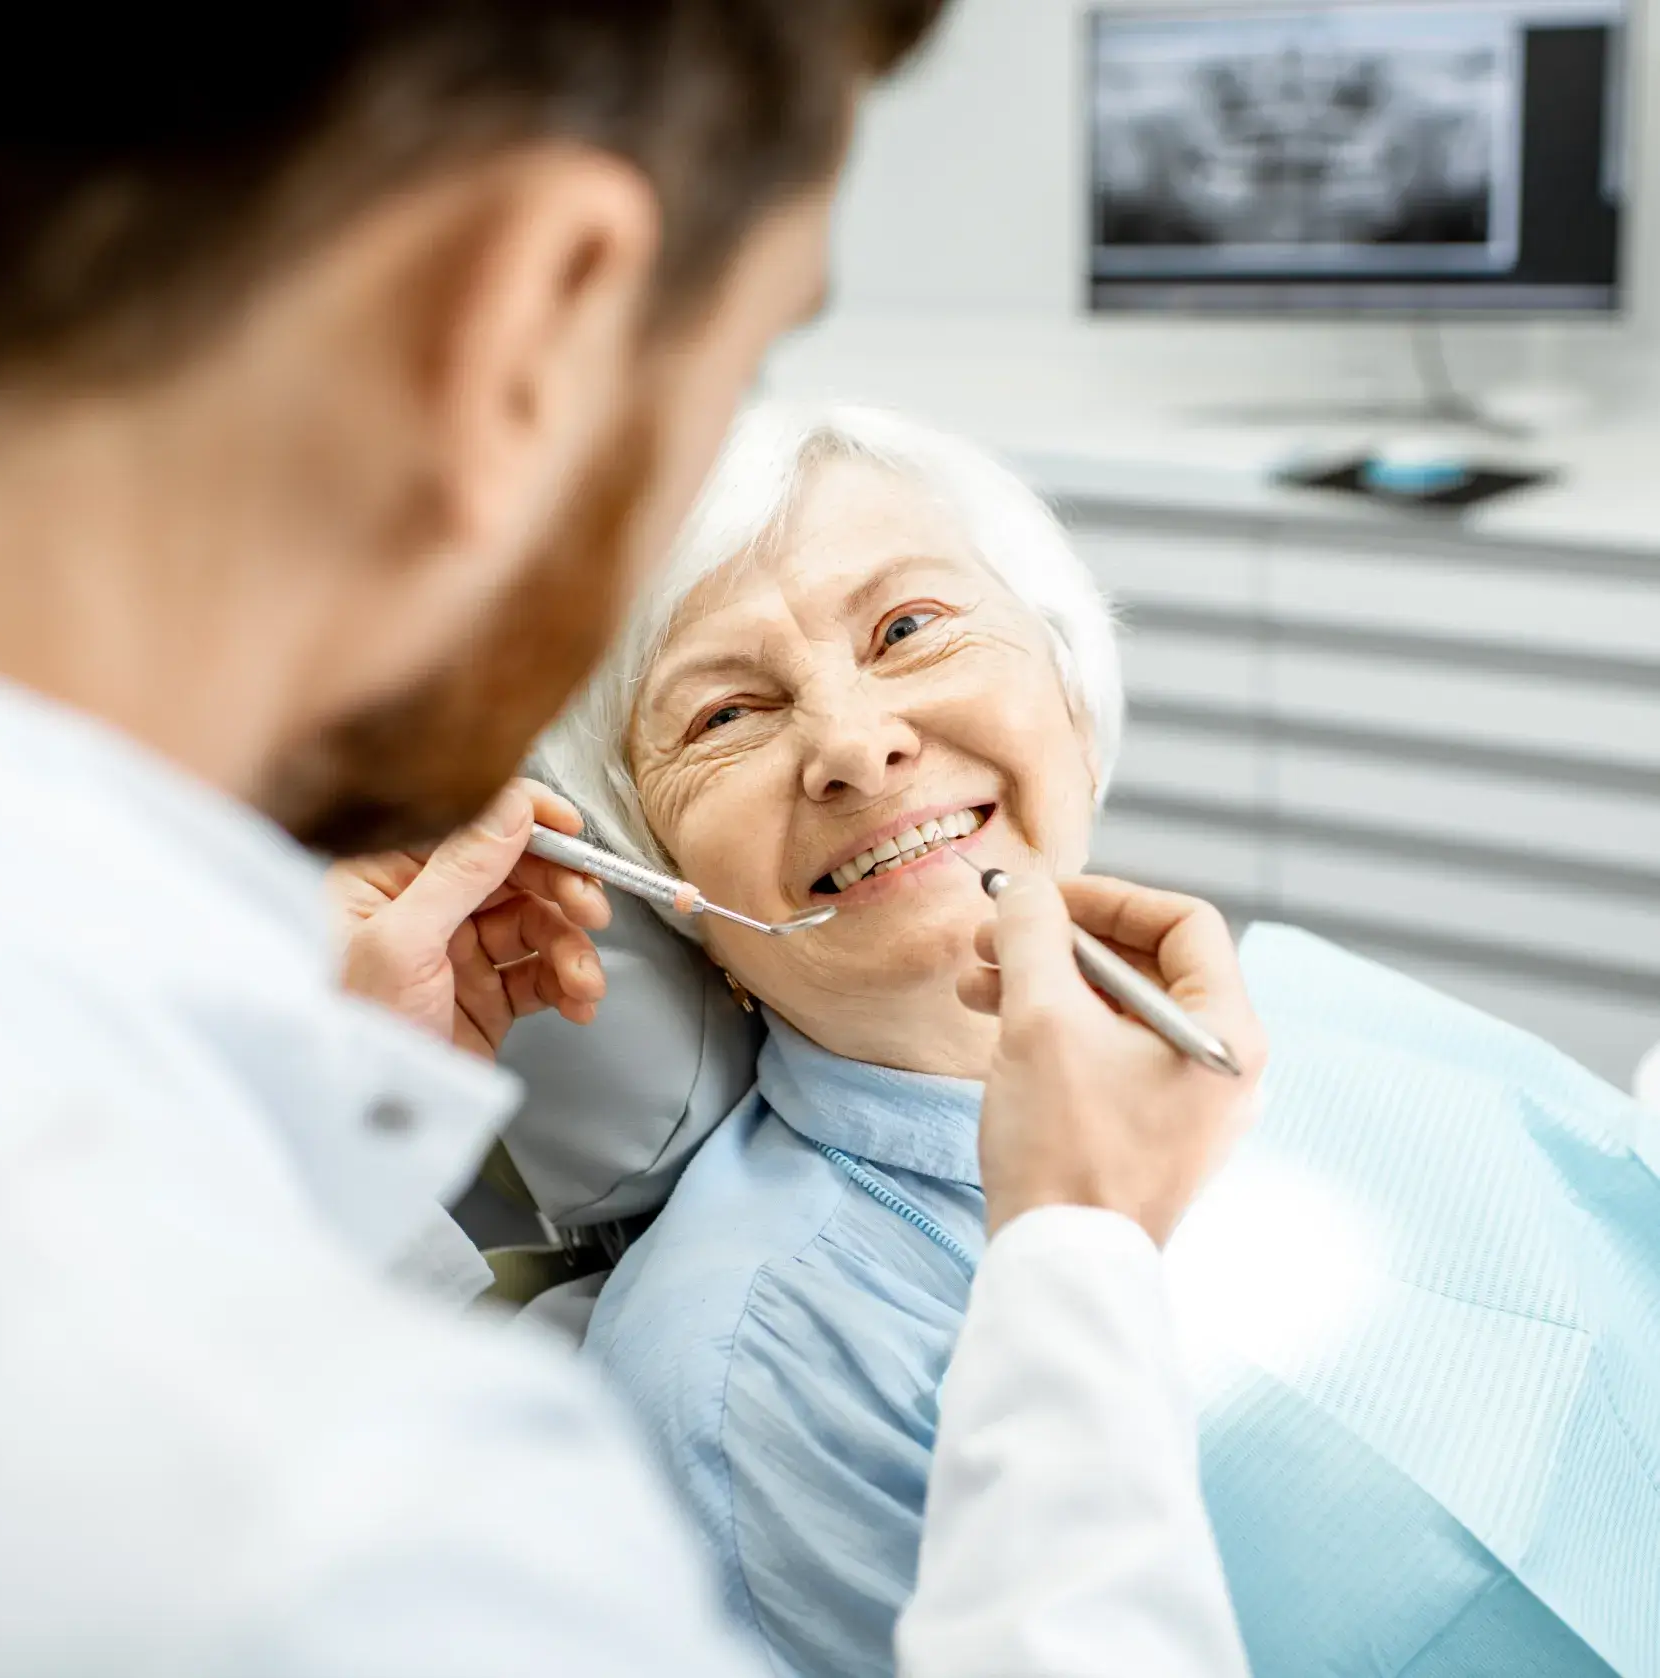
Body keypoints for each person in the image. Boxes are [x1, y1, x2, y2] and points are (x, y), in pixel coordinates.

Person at [0, 9, 1265, 1677]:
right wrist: (1077, 1264)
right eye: (745, 358)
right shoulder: (349, 1511)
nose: (859, 737)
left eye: (917, 623)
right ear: (537, 316)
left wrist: (310, 1120)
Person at [545, 401, 1660, 1678]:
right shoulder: (752, 1363)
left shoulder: (1310, 1001)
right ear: (659, 880)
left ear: (1067, 683)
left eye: (907, 629)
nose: (854, 744)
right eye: (724, 716)